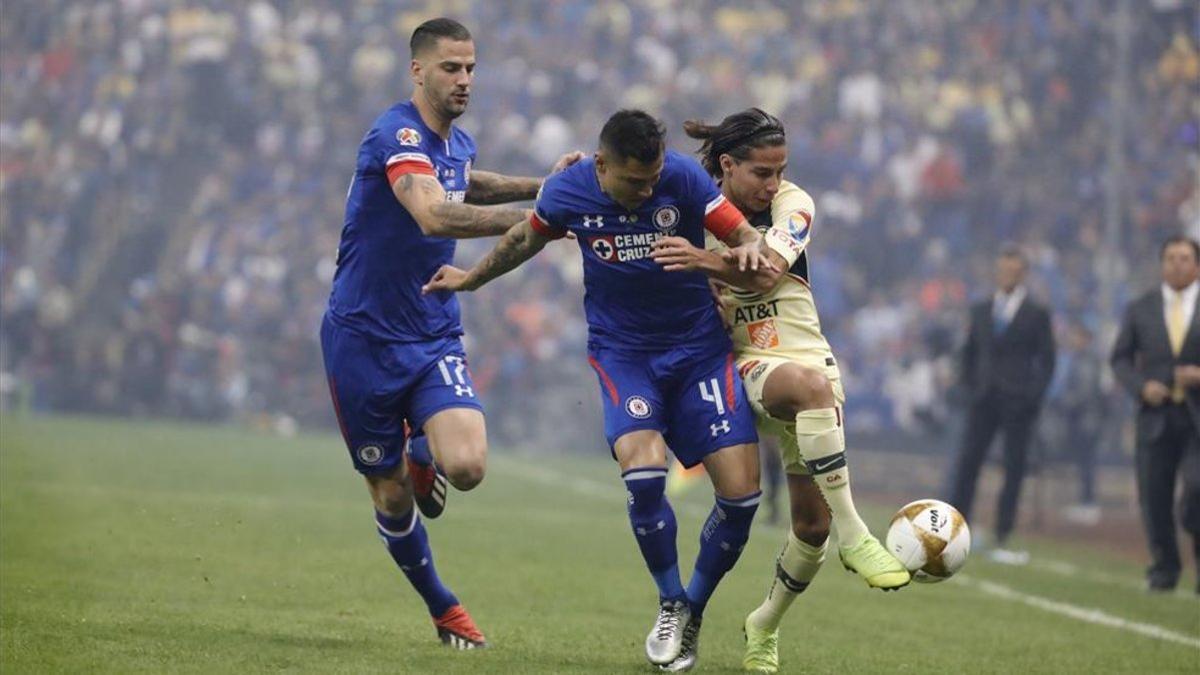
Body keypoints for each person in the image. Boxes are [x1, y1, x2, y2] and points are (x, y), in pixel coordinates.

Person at [424, 109, 771, 671]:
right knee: (643, 467)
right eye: (635, 182)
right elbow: (522, 240)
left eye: (652, 179)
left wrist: (748, 246)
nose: (647, 189)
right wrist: (470, 279)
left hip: (699, 352)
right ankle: (668, 600)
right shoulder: (569, 190)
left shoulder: (682, 177)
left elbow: (742, 230)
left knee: (741, 499)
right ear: (602, 165)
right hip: (624, 354)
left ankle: (691, 611)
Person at [320, 18, 581, 650]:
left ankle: (421, 448)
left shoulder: (454, 143)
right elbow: (434, 210)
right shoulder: (395, 134)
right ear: (417, 70)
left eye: (470, 68)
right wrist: (539, 216)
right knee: (391, 499)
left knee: (465, 467)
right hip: (361, 339)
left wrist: (544, 185)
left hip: (432, 329)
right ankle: (445, 608)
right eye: (450, 68)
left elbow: (467, 178)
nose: (464, 79)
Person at [645, 108, 909, 675]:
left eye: (780, 170)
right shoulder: (696, 212)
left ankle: (763, 623)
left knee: (809, 530)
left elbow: (765, 273)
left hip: (809, 359)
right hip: (748, 366)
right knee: (809, 390)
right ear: (727, 166)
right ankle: (857, 534)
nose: (773, 183)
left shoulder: (795, 204)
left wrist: (702, 263)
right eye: (762, 173)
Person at [947, 245, 1055, 562]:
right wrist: (969, 386)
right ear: (998, 271)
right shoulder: (981, 308)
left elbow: (1047, 361)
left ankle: (1002, 532)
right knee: (968, 462)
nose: (1008, 275)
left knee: (1014, 466)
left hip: (1017, 401)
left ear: (1023, 274)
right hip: (982, 399)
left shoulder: (1036, 313)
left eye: (1014, 270)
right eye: (1004, 269)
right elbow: (968, 352)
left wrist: (1032, 396)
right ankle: (956, 527)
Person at [1110, 235, 1200, 593]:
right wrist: (1141, 386)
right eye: (1171, 258)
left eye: (1184, 258)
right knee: (1154, 497)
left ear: (1196, 264)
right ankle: (1164, 570)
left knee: (1196, 489)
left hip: (1196, 418)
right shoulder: (1141, 308)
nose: (1177, 264)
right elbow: (1120, 358)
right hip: (1155, 416)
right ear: (1162, 264)